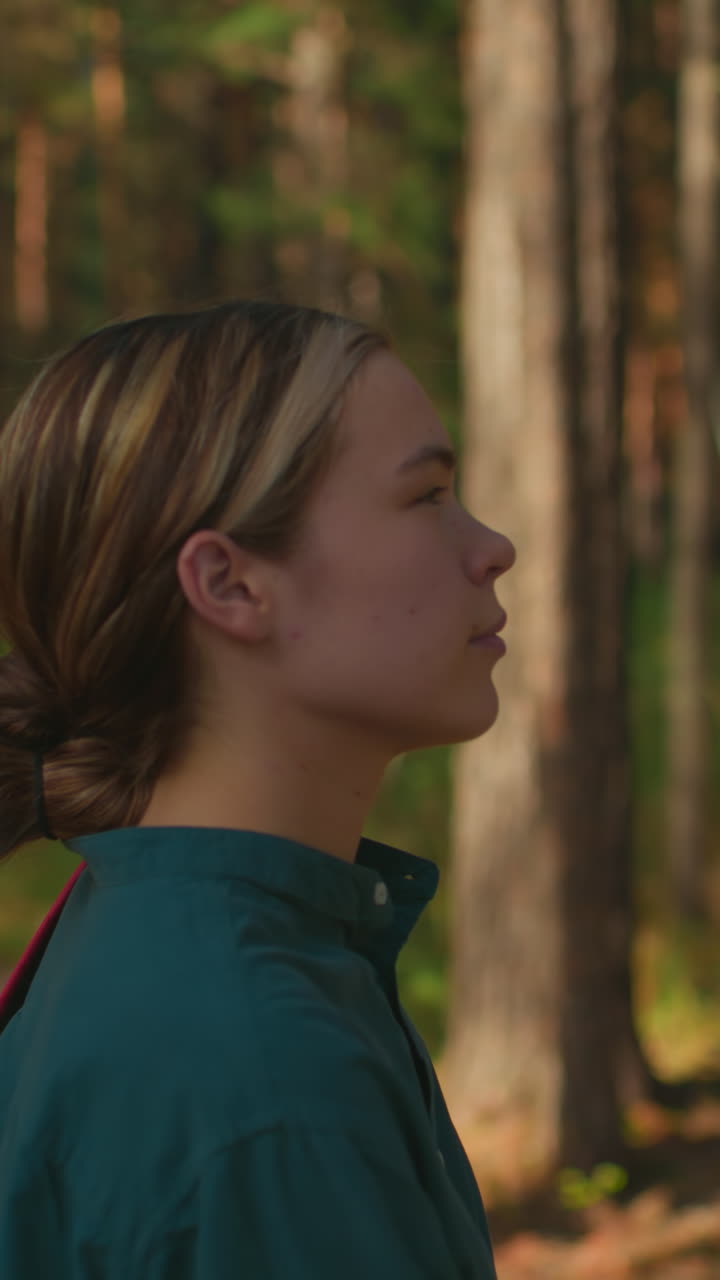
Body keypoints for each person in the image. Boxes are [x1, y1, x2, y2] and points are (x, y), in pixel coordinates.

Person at [0, 300, 515, 1278]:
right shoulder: (265, 1084)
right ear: (229, 584)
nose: (493, 546)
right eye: (426, 495)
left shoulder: (161, 942)